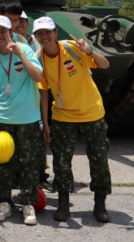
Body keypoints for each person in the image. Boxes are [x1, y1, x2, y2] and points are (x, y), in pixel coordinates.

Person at [33, 17, 111, 223]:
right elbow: (43, 92)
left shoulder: (73, 48)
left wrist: (89, 51)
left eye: (48, 31)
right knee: (61, 162)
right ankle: (63, 204)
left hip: (91, 112)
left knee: (99, 159)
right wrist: (45, 122)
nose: (44, 36)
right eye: (39, 33)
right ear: (35, 36)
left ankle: (100, 203)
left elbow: (105, 64)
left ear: (56, 33)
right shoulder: (38, 57)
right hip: (62, 115)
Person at [0, 16, 43, 226]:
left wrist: (19, 54)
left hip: (27, 118)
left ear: (10, 31)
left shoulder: (24, 49)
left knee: (28, 163)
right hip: (3, 119)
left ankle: (28, 203)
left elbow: (37, 77)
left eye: (3, 31)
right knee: (2, 164)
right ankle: (4, 202)